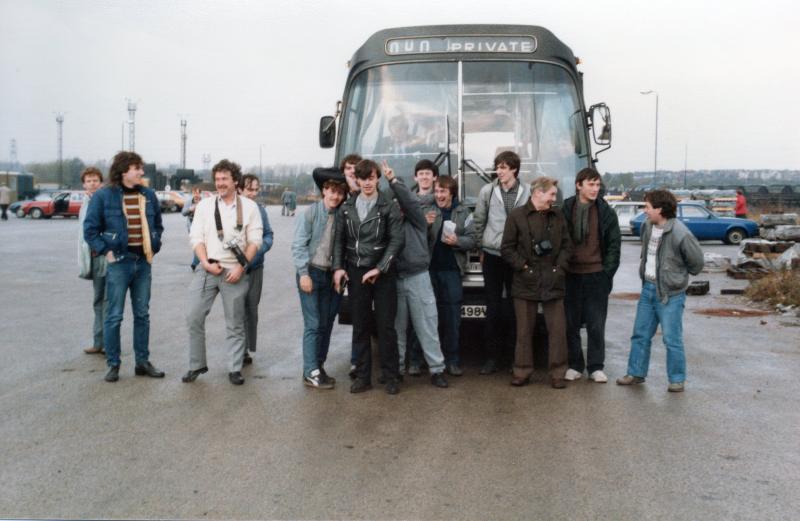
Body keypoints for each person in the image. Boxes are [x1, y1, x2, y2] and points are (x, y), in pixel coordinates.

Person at [83, 151, 165, 383]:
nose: (141, 172)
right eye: (136, 168)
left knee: (142, 315)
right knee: (114, 316)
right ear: (123, 171)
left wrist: (155, 243)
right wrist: (106, 251)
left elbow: (158, 224)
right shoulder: (103, 196)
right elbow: (90, 230)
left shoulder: (148, 194)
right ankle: (113, 364)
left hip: (143, 263)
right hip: (118, 263)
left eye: (141, 167)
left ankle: (142, 362)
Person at [182, 160, 263, 386]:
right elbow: (196, 238)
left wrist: (241, 267)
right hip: (208, 268)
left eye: (224, 179)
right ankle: (196, 364)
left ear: (235, 180)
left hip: (234, 272)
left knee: (235, 322)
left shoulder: (249, 207)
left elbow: (255, 241)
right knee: (193, 315)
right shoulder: (205, 206)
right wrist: (205, 262)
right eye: (217, 179)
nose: (220, 183)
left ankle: (235, 368)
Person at [617, 189, 704, 393]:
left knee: (671, 338)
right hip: (648, 289)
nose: (644, 211)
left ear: (660, 209)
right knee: (640, 334)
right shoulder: (647, 226)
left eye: (647, 207)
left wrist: (676, 277)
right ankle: (636, 373)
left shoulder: (681, 234)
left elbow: (697, 264)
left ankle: (676, 379)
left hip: (670, 295)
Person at [333, 159, 404, 394]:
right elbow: (340, 242)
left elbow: (396, 240)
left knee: (386, 326)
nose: (367, 183)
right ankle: (363, 376)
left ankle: (391, 375)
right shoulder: (347, 207)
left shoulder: (389, 206)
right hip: (355, 270)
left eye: (371, 178)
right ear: (357, 180)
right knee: (360, 326)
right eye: (362, 178)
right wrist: (338, 268)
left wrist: (380, 268)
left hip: (383, 273)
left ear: (377, 179)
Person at [501, 176, 573, 389]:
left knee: (558, 330)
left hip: (553, 280)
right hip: (526, 281)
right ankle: (522, 371)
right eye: (551, 194)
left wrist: (558, 269)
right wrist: (524, 268)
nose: (554, 198)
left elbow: (568, 247)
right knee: (524, 331)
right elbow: (507, 248)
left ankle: (558, 373)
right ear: (537, 193)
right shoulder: (516, 216)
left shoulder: (558, 215)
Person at [384, 161, 448, 389]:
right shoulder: (392, 221)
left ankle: (437, 370)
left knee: (427, 325)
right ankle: (397, 371)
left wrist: (393, 181)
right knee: (397, 329)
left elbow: (410, 202)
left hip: (418, 276)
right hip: (395, 278)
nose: (400, 207)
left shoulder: (419, 218)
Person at [472, 151, 531, 374]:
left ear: (514, 169)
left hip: (516, 256)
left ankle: (516, 358)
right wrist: (480, 247)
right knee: (493, 307)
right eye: (498, 167)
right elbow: (479, 221)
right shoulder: (488, 191)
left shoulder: (527, 192)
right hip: (493, 256)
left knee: (517, 308)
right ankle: (492, 358)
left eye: (504, 167)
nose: (500, 171)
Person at [561, 168, 621, 383]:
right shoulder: (566, 208)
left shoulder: (606, 211)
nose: (595, 189)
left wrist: (607, 274)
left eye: (598, 185)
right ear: (579, 185)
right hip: (571, 275)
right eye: (591, 184)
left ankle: (596, 366)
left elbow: (614, 245)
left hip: (597, 275)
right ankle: (575, 365)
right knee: (571, 323)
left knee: (596, 324)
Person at [292, 178, 348, 389]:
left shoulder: (341, 214)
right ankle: (310, 371)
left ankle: (318, 366)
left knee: (327, 322)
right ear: (324, 191)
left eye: (339, 193)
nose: (335, 197)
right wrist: (303, 274)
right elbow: (298, 246)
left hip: (331, 274)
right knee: (314, 323)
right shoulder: (310, 213)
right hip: (311, 272)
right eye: (332, 192)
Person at [428, 175, 476, 376]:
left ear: (451, 193)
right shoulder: (427, 211)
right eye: (437, 191)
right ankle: (426, 360)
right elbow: (415, 237)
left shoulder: (464, 212)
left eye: (443, 191)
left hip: (452, 272)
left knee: (452, 318)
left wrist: (457, 241)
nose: (439, 195)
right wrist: (426, 225)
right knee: (428, 318)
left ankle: (452, 360)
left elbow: (473, 240)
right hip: (428, 271)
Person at [239, 174, 274, 365]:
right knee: (237, 310)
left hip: (255, 268)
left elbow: (269, 234)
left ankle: (246, 349)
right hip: (234, 269)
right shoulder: (231, 209)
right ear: (240, 189)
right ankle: (238, 350)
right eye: (249, 189)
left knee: (251, 309)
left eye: (255, 189)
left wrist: (261, 247)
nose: (252, 193)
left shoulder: (261, 210)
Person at [78, 167, 108, 356]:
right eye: (89, 181)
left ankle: (107, 344)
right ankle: (99, 342)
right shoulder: (85, 202)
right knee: (98, 301)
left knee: (106, 301)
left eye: (95, 180)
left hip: (104, 257)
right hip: (92, 257)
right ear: (84, 184)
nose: (92, 184)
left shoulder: (105, 201)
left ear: (101, 182)